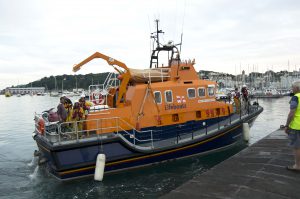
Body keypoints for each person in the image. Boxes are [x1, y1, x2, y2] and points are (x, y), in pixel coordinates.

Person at [285, 80, 300, 171]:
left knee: (297, 147)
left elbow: (292, 113)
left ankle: (297, 166)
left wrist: (287, 125)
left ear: (297, 88)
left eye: (293, 87)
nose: (292, 89)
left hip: (297, 126)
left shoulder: (295, 97)